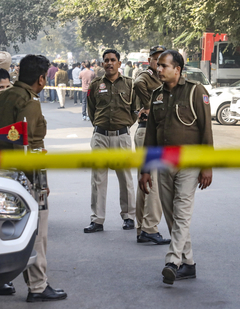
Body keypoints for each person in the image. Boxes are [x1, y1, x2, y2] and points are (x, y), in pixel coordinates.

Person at [0, 55, 67, 302]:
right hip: (26, 175)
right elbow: (30, 146)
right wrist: (40, 182)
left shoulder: (0, 97)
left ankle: (0, 280)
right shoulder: (29, 102)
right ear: (42, 79)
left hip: (0, 172)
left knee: (6, 229)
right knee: (38, 231)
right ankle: (38, 286)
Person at [139, 50, 213, 285]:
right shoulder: (157, 95)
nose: (158, 69)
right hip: (163, 163)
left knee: (181, 212)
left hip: (189, 163)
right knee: (171, 214)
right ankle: (188, 264)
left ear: (177, 69)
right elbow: (150, 134)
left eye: (163, 66)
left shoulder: (195, 91)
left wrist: (206, 166)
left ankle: (173, 261)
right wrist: (145, 169)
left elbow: (206, 130)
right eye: (158, 66)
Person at [85, 49, 137, 233]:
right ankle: (97, 220)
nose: (109, 63)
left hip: (122, 137)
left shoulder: (130, 85)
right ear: (102, 63)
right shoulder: (95, 85)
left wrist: (124, 127)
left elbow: (135, 111)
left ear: (119, 63)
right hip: (100, 137)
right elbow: (91, 110)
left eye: (113, 60)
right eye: (106, 60)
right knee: (98, 179)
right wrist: (100, 127)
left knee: (125, 178)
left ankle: (129, 216)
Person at [133, 45, 170, 245]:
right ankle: (150, 228)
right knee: (154, 180)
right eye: (156, 59)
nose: (159, 63)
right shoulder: (147, 77)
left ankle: (141, 227)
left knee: (145, 180)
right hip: (148, 132)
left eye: (162, 60)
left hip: (148, 132)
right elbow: (138, 83)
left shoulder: (162, 79)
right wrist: (148, 106)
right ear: (150, 61)